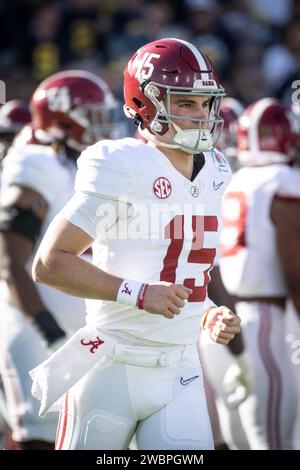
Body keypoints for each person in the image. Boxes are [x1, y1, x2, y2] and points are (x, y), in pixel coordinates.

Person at [31, 38, 241, 450]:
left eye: (205, 104)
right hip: (112, 365)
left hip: (181, 367)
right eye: (185, 103)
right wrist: (137, 294)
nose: (200, 117)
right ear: (146, 103)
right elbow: (50, 262)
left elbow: (182, 266)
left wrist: (207, 313)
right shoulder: (121, 163)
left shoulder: (216, 168)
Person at [0, 70, 119, 449]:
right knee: (39, 437)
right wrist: (47, 328)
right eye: (94, 115)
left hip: (76, 336)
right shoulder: (35, 164)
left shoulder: (74, 167)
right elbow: (8, 258)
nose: (104, 124)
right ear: (63, 119)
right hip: (36, 331)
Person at [220, 97, 300, 449]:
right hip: (267, 315)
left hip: (237, 311)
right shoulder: (282, 179)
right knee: (273, 437)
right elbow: (294, 267)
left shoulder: (239, 179)